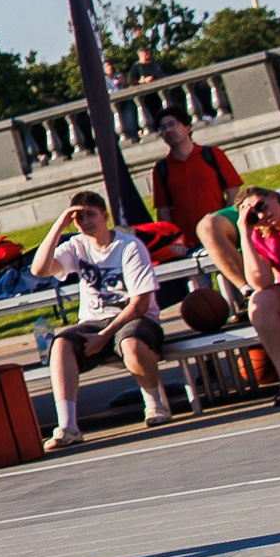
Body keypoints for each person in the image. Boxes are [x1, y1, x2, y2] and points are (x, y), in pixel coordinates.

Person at [31, 191, 173, 446]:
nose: (86, 222)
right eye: (79, 218)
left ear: (105, 215)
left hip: (133, 318)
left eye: (91, 215)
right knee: (60, 344)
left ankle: (155, 404)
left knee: (130, 343)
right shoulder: (76, 246)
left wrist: (103, 336)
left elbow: (140, 304)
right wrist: (59, 226)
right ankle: (68, 426)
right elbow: (39, 270)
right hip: (94, 321)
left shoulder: (129, 247)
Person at [148, 110, 248, 309]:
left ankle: (241, 310)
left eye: (172, 124)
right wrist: (172, 241)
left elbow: (233, 190)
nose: (167, 130)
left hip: (219, 235)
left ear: (188, 128)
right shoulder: (161, 169)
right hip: (188, 243)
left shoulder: (212, 155)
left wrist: (227, 222)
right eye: (162, 128)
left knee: (233, 284)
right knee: (202, 300)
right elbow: (163, 210)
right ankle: (215, 320)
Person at [234, 186, 280, 404]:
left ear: (274, 196)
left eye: (261, 206)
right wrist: (245, 232)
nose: (261, 215)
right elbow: (261, 282)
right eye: (254, 215)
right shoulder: (261, 235)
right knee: (261, 302)